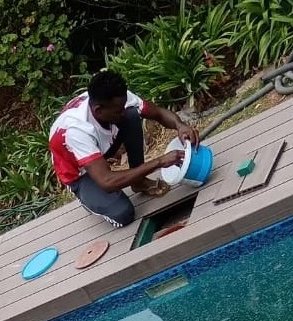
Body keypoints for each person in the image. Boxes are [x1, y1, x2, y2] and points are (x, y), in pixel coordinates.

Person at [49, 70, 201, 229]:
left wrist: (180, 125)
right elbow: (107, 182)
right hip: (79, 173)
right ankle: (86, 196)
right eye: (118, 110)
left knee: (131, 115)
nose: (123, 111)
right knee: (123, 214)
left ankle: (138, 182)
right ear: (98, 110)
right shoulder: (77, 131)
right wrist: (159, 162)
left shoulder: (115, 99)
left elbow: (157, 113)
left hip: (98, 148)